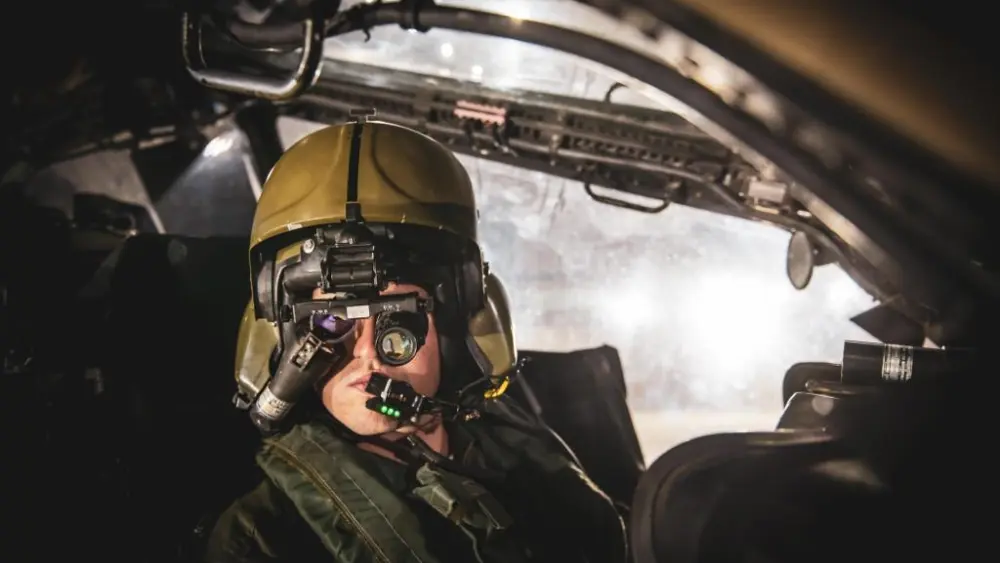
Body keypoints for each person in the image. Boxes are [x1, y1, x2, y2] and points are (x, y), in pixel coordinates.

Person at [204, 117, 627, 563]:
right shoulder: (261, 542)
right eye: (330, 324)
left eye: (399, 324)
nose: (368, 354)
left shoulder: (534, 465)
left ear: (455, 330)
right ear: (286, 340)